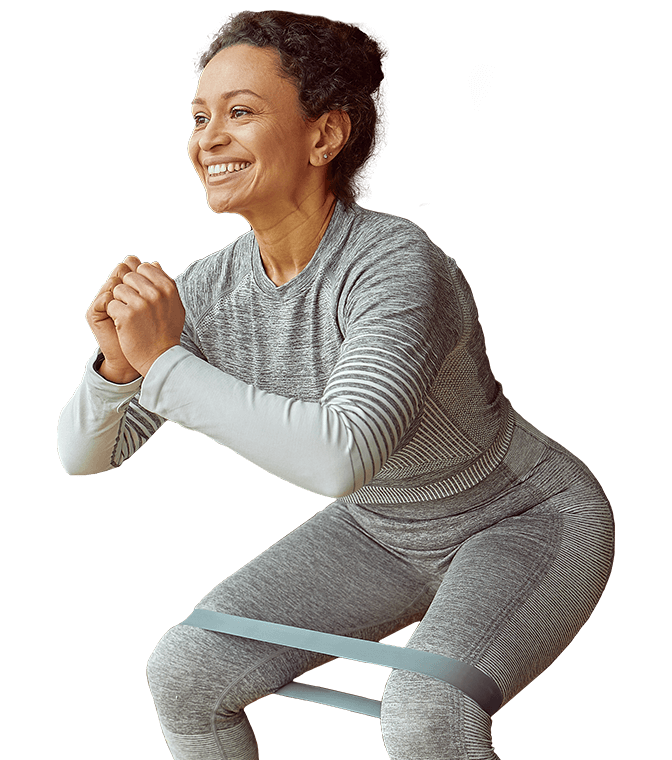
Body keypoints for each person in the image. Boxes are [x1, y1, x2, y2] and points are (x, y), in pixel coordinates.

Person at [57, 11, 614, 760]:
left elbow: (338, 458)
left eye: (241, 112)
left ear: (325, 136)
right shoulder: (210, 288)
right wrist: (117, 369)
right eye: (200, 116)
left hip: (523, 519)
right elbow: (85, 456)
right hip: (381, 531)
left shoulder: (395, 264)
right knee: (185, 673)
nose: (207, 138)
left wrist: (163, 365)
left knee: (425, 714)